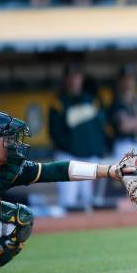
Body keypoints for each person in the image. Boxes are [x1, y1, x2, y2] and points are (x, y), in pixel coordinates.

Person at [0, 111, 134, 273]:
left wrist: (110, 170)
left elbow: (56, 170)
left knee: (21, 219)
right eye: (8, 138)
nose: (14, 144)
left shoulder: (10, 169)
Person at [48, 64, 108, 211]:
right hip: (69, 159)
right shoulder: (59, 102)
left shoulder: (92, 100)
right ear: (66, 79)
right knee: (68, 203)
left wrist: (98, 150)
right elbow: (55, 134)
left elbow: (101, 129)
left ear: (82, 78)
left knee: (91, 202)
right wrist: (74, 149)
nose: (75, 80)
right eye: (71, 76)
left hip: (89, 158)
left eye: (78, 76)